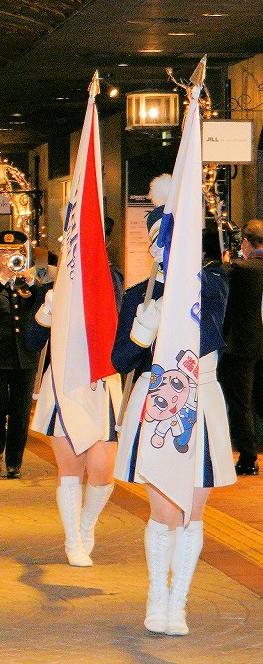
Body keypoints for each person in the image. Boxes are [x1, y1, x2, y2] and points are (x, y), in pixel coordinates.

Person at [112, 195, 236, 636]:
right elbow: (121, 358)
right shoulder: (135, 294)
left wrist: (175, 306)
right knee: (163, 511)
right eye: (162, 242)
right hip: (156, 405)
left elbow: (209, 339)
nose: (168, 249)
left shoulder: (213, 284)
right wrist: (142, 330)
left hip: (199, 402)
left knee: (191, 513)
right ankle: (157, 597)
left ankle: (179, 602)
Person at [29, 288, 121, 566]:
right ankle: (73, 539)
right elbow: (33, 342)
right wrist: (47, 311)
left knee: (103, 471)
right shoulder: (59, 285)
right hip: (65, 385)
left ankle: (86, 524)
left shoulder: (111, 281)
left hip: (103, 384)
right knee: (71, 468)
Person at [0, 229, 45, 478]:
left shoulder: (29, 282)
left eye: (14, 251)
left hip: (24, 355)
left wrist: (30, 281)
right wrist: (1, 279)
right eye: (4, 252)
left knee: (20, 411)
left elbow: (46, 305)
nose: (9, 256)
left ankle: (15, 461)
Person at [218, 218, 263, 476]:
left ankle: (247, 457)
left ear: (246, 242)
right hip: (259, 344)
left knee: (240, 403)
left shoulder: (243, 271)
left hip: (241, 346)